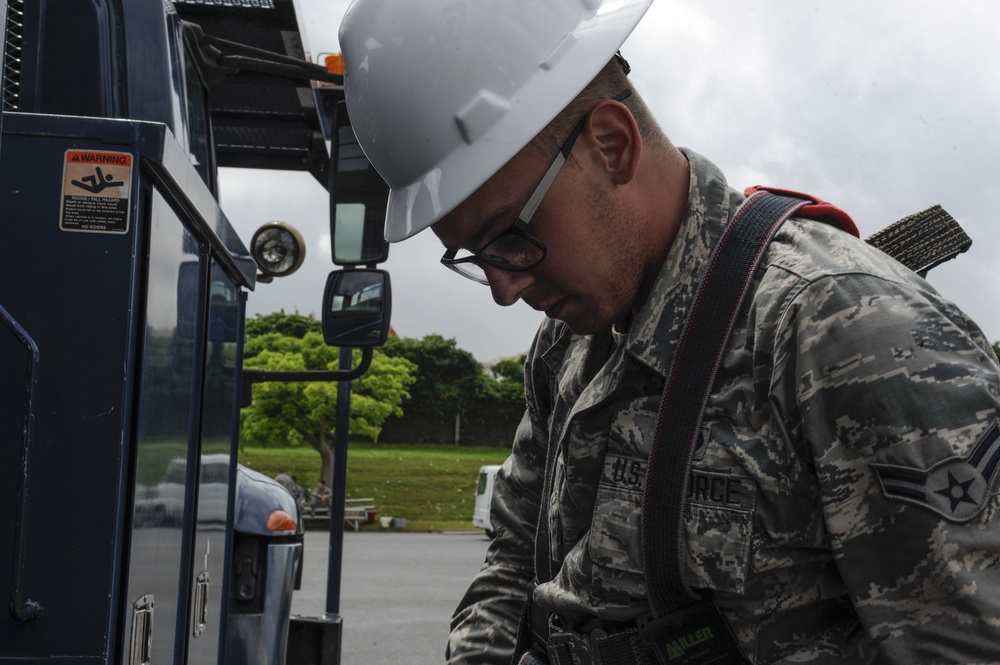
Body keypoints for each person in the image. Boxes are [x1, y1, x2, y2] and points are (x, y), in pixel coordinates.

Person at [338, 1, 1000, 663]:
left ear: (612, 144)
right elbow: (514, 559)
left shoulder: (848, 336)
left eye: (509, 236)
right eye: (475, 257)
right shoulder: (569, 341)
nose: (506, 289)